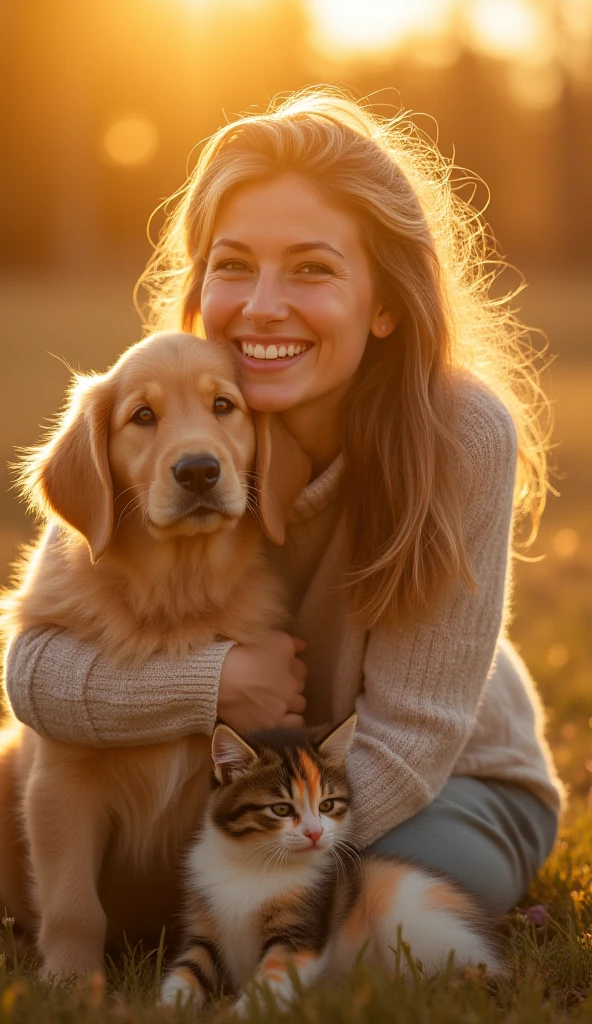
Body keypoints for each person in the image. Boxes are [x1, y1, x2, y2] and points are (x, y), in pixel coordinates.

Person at [4, 88, 563, 921]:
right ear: (199, 288)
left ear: (383, 301)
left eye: (312, 268)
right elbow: (36, 675)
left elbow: (408, 748)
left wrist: (230, 882)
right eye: (234, 265)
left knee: (373, 911)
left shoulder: (458, 434)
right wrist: (214, 684)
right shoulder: (168, 424)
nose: (263, 305)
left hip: (436, 786)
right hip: (247, 791)